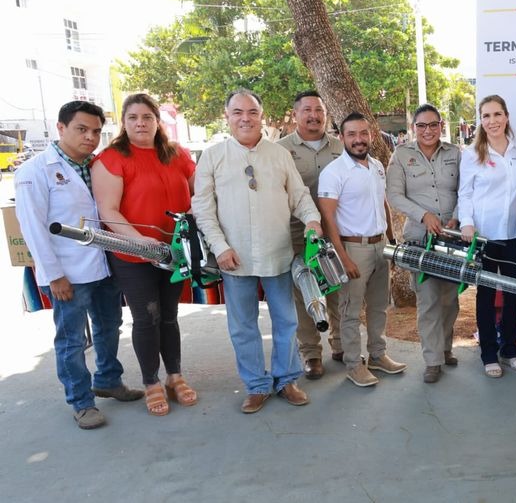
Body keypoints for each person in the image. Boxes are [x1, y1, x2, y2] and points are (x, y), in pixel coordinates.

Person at [192, 89, 321, 414]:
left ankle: (286, 379)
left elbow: (299, 195)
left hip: (277, 253)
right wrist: (219, 247)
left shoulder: (278, 155)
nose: (245, 118)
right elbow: (203, 209)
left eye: (252, 112)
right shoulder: (213, 156)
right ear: (227, 117)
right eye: (238, 112)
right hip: (234, 258)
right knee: (242, 326)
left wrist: (312, 220)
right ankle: (256, 385)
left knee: (286, 320)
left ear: (261, 115)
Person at [15, 101, 143, 429]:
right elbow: (32, 227)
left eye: (96, 131)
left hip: (102, 265)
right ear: (61, 128)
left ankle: (108, 380)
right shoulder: (34, 171)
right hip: (68, 272)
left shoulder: (95, 165)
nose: (90, 137)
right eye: (81, 129)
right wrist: (53, 275)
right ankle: (81, 402)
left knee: (108, 326)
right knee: (72, 339)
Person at [91, 93, 197, 416]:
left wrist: (185, 231)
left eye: (147, 117)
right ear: (123, 122)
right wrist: (142, 244)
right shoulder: (111, 158)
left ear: (157, 121)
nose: (141, 123)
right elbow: (108, 211)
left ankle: (174, 376)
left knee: (169, 315)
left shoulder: (176, 154)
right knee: (146, 318)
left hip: (175, 252)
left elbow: (198, 195)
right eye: (133, 117)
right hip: (134, 256)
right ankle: (151, 381)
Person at [318, 112, 405, 387]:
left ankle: (378, 355)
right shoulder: (333, 173)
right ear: (341, 137)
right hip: (352, 248)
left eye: (363, 133)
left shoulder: (378, 166)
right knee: (350, 310)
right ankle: (354, 364)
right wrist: (342, 257)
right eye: (352, 134)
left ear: (370, 135)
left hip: (381, 246)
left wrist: (391, 242)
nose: (359, 139)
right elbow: (327, 218)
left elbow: (383, 205)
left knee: (379, 307)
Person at [386, 104, 461, 383]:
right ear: (413, 128)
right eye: (421, 126)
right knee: (428, 299)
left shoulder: (455, 153)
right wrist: (424, 215)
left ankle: (445, 348)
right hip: (419, 238)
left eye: (433, 125)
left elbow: (466, 190)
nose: (428, 130)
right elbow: (394, 195)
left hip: (452, 239)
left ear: (441, 126)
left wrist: (456, 218)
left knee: (450, 299)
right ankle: (432, 360)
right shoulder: (402, 155)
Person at [458, 95, 516, 379]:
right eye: (486, 116)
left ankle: (510, 349)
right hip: (484, 237)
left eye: (497, 114)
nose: (492, 121)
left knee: (513, 295)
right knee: (486, 296)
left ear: (507, 116)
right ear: (480, 121)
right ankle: (489, 353)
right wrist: (467, 223)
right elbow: (464, 193)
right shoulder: (472, 154)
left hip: (514, 234)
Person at [277, 90, 344, 379]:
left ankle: (342, 345)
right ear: (296, 115)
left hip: (336, 231)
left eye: (319, 110)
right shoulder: (279, 150)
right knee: (305, 293)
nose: (314, 115)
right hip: (297, 234)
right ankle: (312, 354)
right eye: (307, 110)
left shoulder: (341, 147)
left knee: (339, 290)